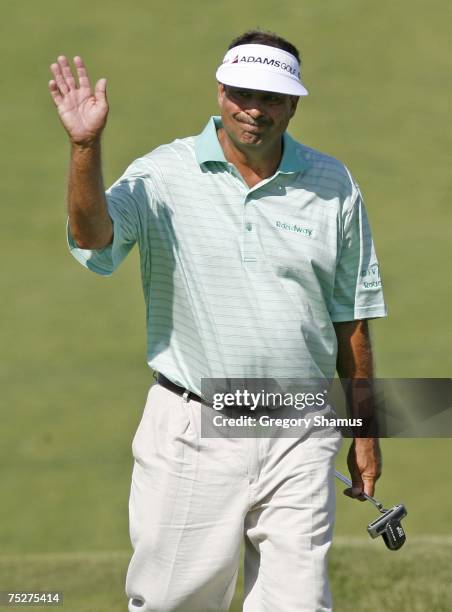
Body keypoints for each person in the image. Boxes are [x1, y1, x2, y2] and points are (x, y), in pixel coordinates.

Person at [49, 30, 386, 612]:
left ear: (294, 104)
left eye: (272, 98)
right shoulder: (163, 174)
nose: (255, 109)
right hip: (193, 427)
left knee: (299, 604)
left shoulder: (335, 185)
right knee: (173, 602)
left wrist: (366, 428)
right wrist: (85, 146)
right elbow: (94, 238)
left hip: (301, 430)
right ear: (221, 92)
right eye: (242, 94)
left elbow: (350, 319)